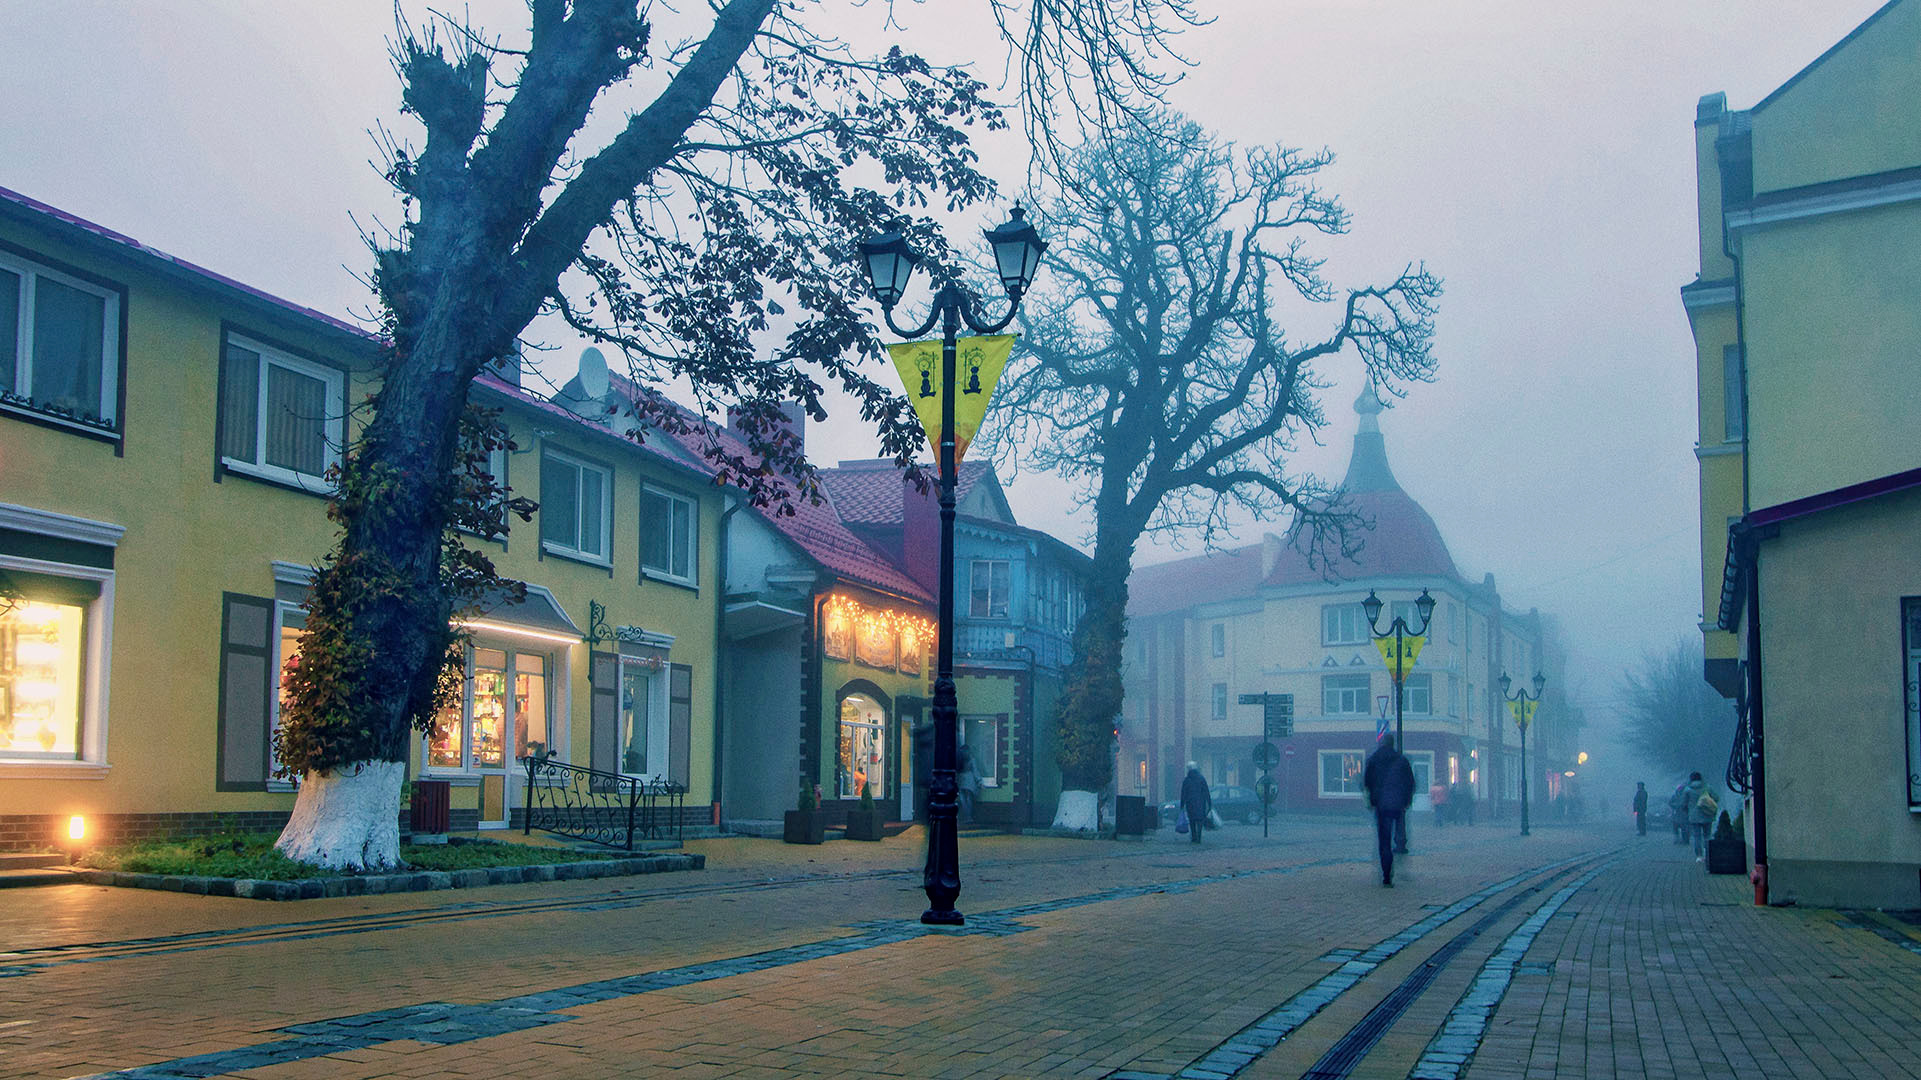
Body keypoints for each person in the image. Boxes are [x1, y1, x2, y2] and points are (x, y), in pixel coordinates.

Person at [1363, 735, 1415, 887]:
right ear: (1393, 744)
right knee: (1398, 831)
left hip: (1381, 805)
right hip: (1397, 805)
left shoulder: (1374, 759)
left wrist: (1372, 799)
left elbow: (1367, 782)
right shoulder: (1401, 760)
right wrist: (1406, 801)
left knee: (1383, 840)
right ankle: (1400, 843)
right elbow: (1410, 782)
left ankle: (1386, 873)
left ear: (1381, 743)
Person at [1180, 761, 1212, 845]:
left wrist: (1182, 804)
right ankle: (1199, 837)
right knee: (1200, 821)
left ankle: (1194, 837)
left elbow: (1183, 793)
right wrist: (1209, 803)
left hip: (1190, 803)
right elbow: (1206, 791)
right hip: (1201, 803)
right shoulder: (1201, 778)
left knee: (1192, 821)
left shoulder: (1187, 780)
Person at [1686, 772, 1716, 859]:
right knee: (1707, 835)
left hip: (1694, 817)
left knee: (1697, 836)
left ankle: (1699, 856)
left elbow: (1683, 802)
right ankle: (1708, 854)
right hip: (1707, 814)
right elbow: (1716, 797)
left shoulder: (1688, 790)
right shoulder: (1707, 788)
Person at [956, 745, 981, 825]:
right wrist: (979, 781)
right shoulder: (971, 760)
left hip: (962, 779)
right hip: (968, 780)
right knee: (968, 799)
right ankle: (968, 817)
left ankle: (967, 817)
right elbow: (975, 770)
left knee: (964, 800)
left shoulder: (959, 760)